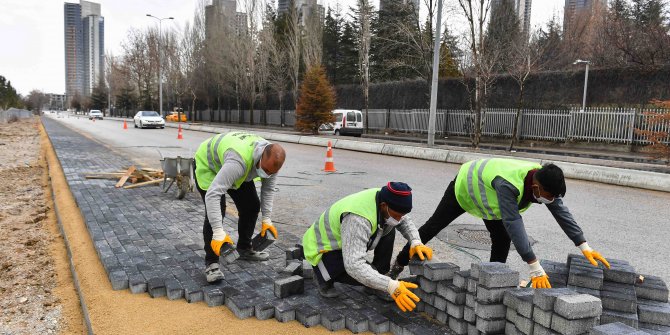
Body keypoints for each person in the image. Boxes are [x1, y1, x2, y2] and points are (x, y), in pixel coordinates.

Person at [387, 158, 610, 288]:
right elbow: (513, 221)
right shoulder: (509, 185)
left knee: (501, 240)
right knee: (433, 227)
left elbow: (561, 211)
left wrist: (584, 245)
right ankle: (397, 265)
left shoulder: (542, 180)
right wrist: (534, 266)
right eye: (548, 196)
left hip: (489, 202)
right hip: (465, 188)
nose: (550, 201)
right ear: (537, 187)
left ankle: (492, 282)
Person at [302, 182, 433, 312]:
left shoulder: (386, 199)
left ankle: (377, 283)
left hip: (347, 240)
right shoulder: (358, 219)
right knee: (354, 271)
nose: (399, 219)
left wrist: (415, 241)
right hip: (324, 249)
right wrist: (390, 285)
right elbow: (354, 265)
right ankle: (322, 276)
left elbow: (404, 220)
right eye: (397, 216)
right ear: (383, 206)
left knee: (389, 228)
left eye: (401, 215)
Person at [193, 131, 286, 283]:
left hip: (234, 165)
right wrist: (218, 232)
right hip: (209, 166)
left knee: (251, 206)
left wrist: (267, 219)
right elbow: (213, 195)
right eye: (266, 170)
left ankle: (244, 248)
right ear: (260, 156)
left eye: (271, 172)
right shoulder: (239, 162)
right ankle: (212, 263)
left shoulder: (271, 163)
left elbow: (268, 189)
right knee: (216, 211)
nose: (268, 174)